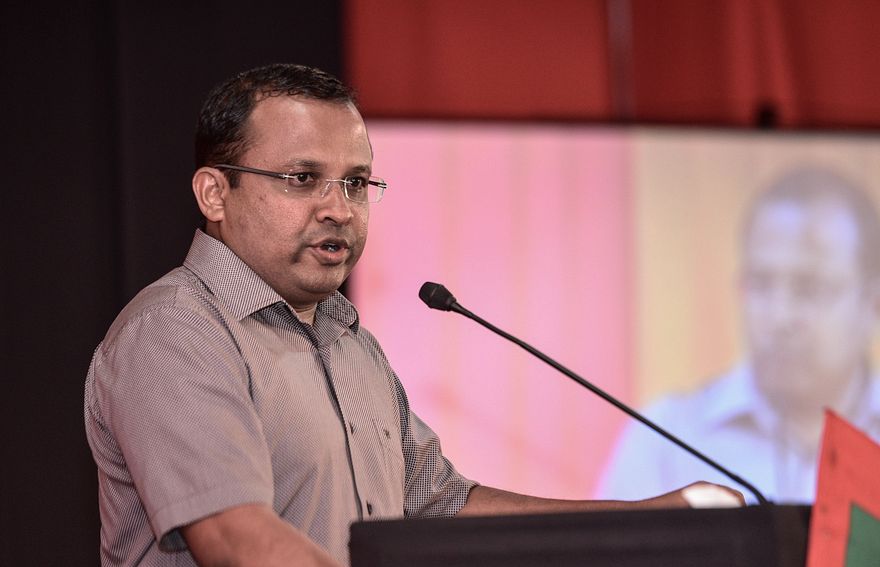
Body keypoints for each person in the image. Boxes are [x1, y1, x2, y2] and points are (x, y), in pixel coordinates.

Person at [84, 63, 741, 567]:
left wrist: (645, 521)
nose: (338, 208)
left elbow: (440, 505)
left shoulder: (348, 341)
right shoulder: (174, 332)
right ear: (214, 193)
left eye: (355, 182)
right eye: (302, 178)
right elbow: (235, 539)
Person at [599, 167, 880, 504]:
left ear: (872, 303)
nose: (780, 316)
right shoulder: (666, 437)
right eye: (761, 284)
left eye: (809, 288)